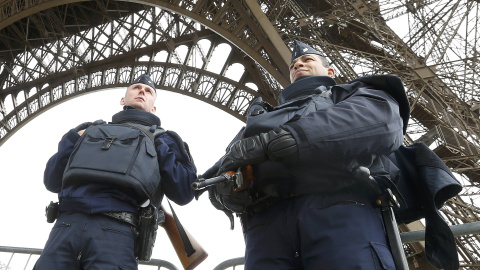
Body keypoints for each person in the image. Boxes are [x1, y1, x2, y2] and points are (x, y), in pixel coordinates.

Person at [201, 40, 409, 269]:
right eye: (293, 65)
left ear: (330, 71)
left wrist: (284, 139)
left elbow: (382, 121)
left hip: (338, 206)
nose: (298, 64)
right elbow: (222, 172)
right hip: (267, 226)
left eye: (307, 60)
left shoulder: (347, 93)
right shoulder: (259, 119)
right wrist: (226, 193)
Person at [34, 74, 197, 270]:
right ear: (123, 99)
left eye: (148, 91)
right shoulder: (88, 130)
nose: (142, 91)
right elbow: (51, 180)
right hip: (69, 226)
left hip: (113, 231)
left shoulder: (164, 139)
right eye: (136, 87)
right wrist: (72, 138)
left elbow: (184, 191)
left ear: (154, 107)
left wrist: (160, 145)